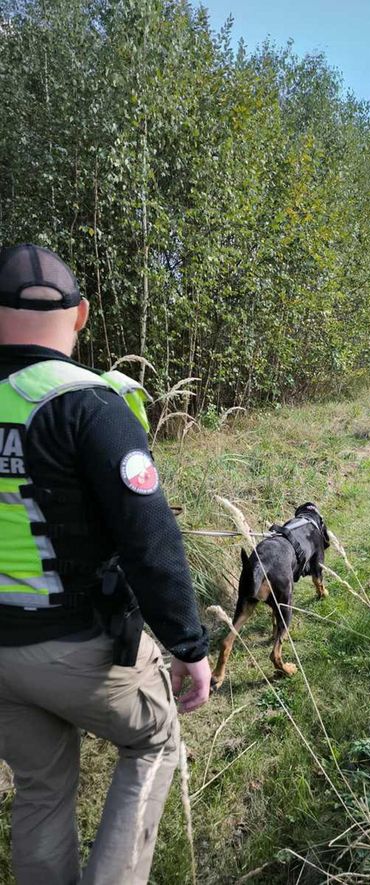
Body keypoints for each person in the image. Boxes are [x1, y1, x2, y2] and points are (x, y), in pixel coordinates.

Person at [0, 244, 211, 885]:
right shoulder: (89, 404)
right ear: (82, 315)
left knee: (40, 787)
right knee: (155, 741)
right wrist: (188, 644)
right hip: (75, 646)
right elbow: (150, 539)